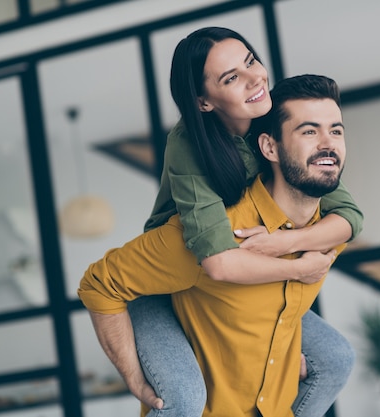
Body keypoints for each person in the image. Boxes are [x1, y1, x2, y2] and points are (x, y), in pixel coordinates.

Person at [115, 27, 362, 416]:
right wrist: (299, 268)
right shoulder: (189, 144)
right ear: (203, 101)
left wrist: (284, 244)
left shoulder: (270, 118)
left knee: (335, 358)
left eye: (250, 61)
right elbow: (218, 260)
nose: (255, 79)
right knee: (184, 398)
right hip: (168, 282)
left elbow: (348, 216)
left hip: (238, 267)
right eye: (231, 78)